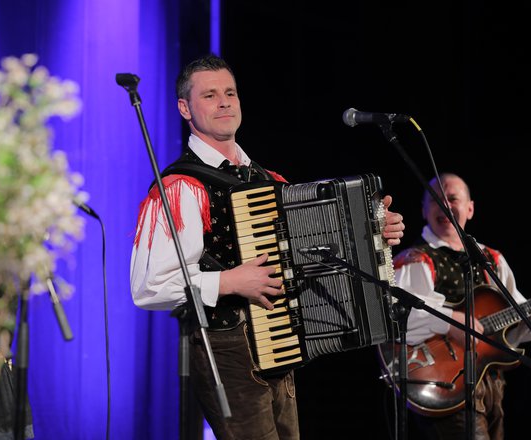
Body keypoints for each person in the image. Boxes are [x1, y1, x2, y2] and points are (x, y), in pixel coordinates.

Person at [129, 54, 406, 440]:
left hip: (280, 346)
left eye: (230, 92)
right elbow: (148, 287)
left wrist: (375, 234)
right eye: (210, 95)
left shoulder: (268, 181)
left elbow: (315, 256)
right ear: (184, 108)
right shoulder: (179, 187)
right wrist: (228, 281)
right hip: (225, 348)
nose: (224, 102)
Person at [391, 172, 531, 440]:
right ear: (424, 210)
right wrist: (451, 321)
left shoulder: (491, 260)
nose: (445, 206)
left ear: (470, 209)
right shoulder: (415, 260)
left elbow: (513, 332)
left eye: (452, 198)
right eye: (436, 199)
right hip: (444, 384)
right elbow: (399, 318)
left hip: (492, 386)